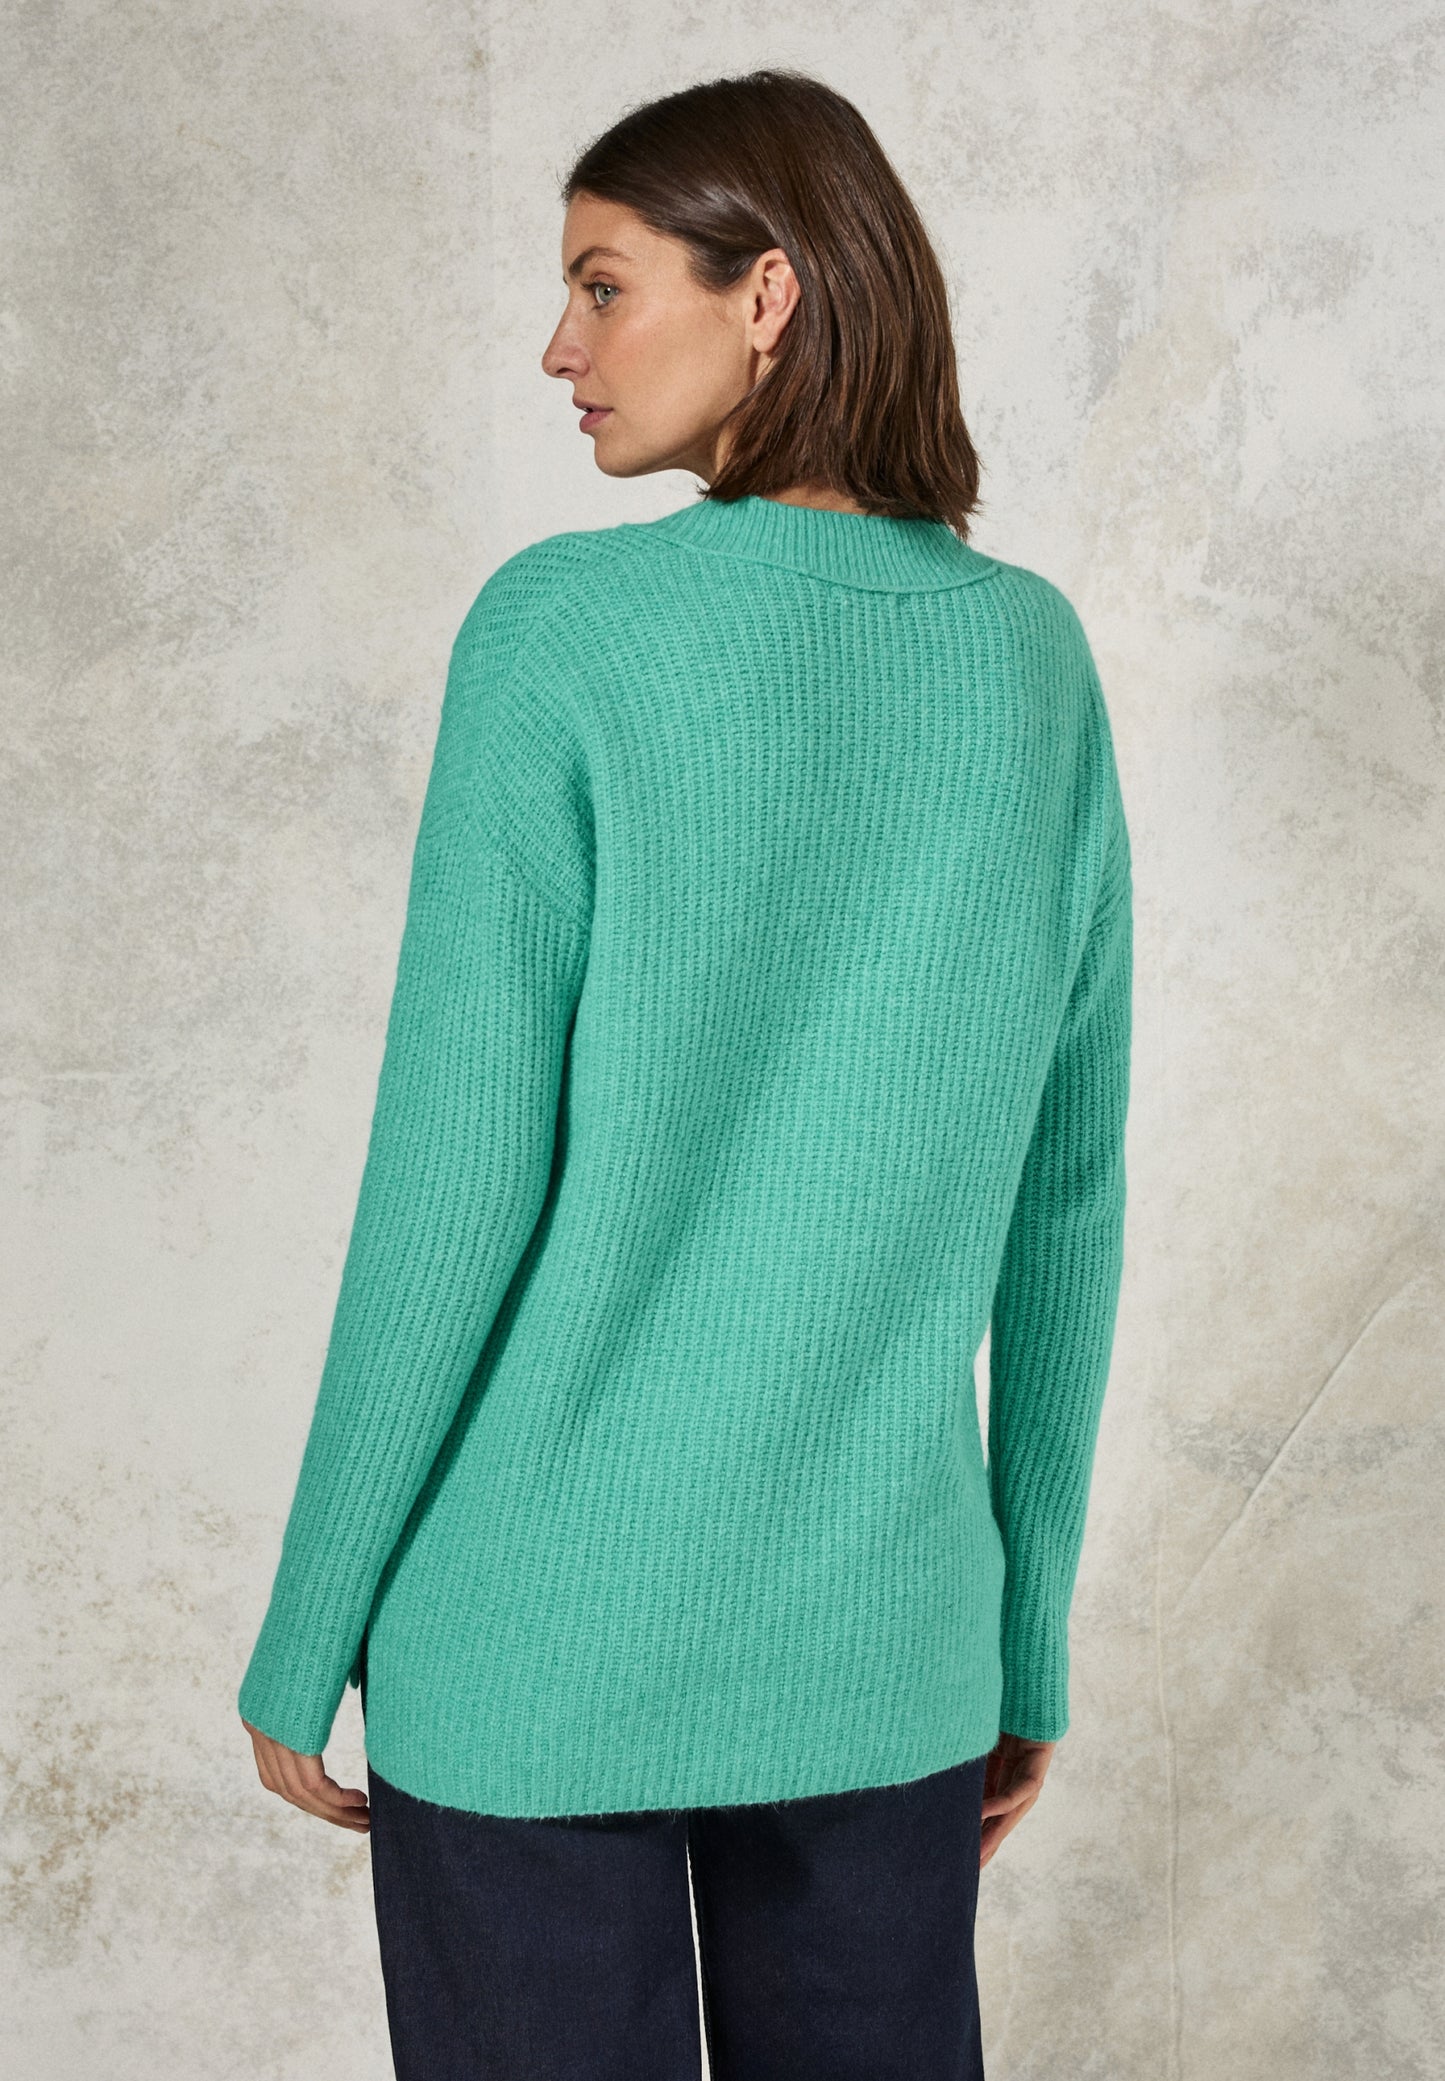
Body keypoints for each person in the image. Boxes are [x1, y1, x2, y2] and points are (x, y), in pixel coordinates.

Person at [238, 66, 1133, 2081]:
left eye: (602, 285)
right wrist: (1021, 1637)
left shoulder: (562, 633)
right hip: (887, 1654)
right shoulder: (1031, 662)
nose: (558, 349)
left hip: (536, 1647)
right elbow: (1065, 1202)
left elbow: (453, 1179)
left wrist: (311, 1620)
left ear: (769, 295)